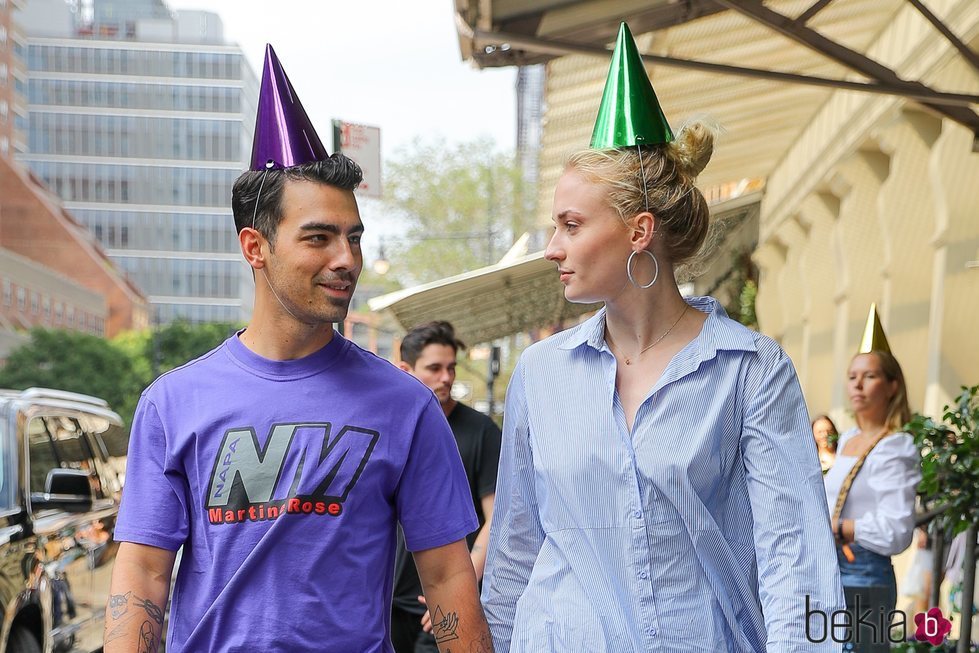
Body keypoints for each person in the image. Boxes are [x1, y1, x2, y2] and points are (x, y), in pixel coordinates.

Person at [104, 45, 492, 653]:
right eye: (319, 238)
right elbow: (145, 573)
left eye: (354, 237)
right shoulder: (171, 403)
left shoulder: (405, 405)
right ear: (255, 247)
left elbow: (446, 575)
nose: (347, 260)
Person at [480, 22, 844, 653]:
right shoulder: (541, 374)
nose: (552, 248)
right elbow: (518, 545)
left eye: (570, 225)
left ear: (639, 231)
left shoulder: (748, 369)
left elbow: (797, 555)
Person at [391, 321, 502, 653]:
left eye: (451, 368)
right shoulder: (390, 424)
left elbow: (496, 518)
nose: (447, 378)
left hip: (444, 604)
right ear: (405, 370)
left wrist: (461, 590)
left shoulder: (480, 429)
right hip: (389, 601)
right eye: (435, 368)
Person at [823, 304, 921, 652]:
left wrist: (842, 528)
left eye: (870, 376)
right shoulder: (847, 439)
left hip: (866, 574)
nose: (858, 385)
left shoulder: (896, 446)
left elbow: (898, 529)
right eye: (852, 376)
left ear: (892, 386)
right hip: (828, 572)